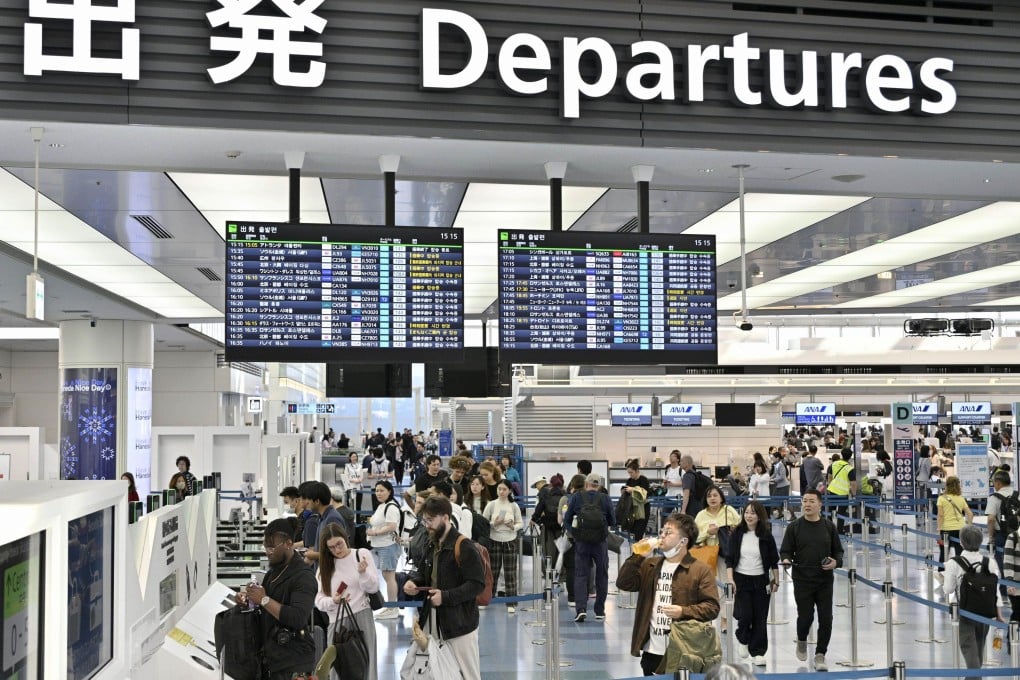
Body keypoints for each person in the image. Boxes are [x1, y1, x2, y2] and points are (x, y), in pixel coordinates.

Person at [616, 512, 720, 676]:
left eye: (669, 532)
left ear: (683, 541)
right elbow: (624, 583)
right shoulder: (651, 565)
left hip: (685, 650)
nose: (662, 536)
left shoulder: (700, 570)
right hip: (652, 649)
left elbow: (712, 607)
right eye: (662, 531)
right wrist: (638, 557)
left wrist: (683, 611)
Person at [403, 496, 485, 680]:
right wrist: (414, 582)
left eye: (431, 520)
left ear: (446, 518)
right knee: (433, 670)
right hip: (431, 618)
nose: (427, 525)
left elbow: (477, 584)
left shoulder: (464, 546)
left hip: (460, 624)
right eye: (425, 520)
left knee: (467, 674)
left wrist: (446, 597)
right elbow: (424, 573)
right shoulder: (432, 543)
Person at [239, 518, 317, 679]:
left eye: (272, 547)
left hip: (294, 661)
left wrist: (264, 599)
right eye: (265, 547)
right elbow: (264, 608)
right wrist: (249, 600)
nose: (268, 551)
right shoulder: (273, 572)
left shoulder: (304, 577)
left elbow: (297, 617)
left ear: (289, 544)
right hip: (274, 658)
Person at [780, 489, 842, 672]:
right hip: (802, 580)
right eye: (804, 501)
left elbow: (838, 551)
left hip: (824, 580)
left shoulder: (829, 527)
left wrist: (835, 562)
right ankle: (801, 639)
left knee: (826, 618)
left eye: (811, 501)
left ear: (820, 504)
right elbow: (785, 550)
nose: (807, 504)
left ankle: (820, 654)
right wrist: (785, 560)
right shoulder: (794, 527)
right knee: (805, 617)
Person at [314, 523, 380, 680]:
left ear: (346, 538)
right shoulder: (324, 567)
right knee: (338, 670)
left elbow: (373, 588)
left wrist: (363, 573)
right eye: (331, 547)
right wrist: (333, 601)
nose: (337, 550)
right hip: (337, 622)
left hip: (362, 616)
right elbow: (318, 600)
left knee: (367, 665)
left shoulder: (361, 554)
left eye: (339, 544)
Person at [944, 524, 1006, 680]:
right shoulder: (990, 562)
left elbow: (948, 589)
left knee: (968, 647)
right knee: (978, 647)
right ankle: (974, 676)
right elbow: (995, 591)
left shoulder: (954, 563)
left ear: (961, 542)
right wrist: (999, 614)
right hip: (985, 613)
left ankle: (974, 677)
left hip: (965, 612)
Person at [726, 500, 780, 666]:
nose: (749, 516)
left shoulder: (766, 535)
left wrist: (776, 580)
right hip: (741, 579)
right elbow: (729, 559)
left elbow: (773, 560)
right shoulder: (737, 533)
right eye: (747, 512)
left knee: (760, 618)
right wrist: (730, 579)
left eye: (753, 513)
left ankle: (758, 652)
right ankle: (742, 637)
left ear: (760, 516)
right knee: (745, 614)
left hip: (761, 580)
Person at [562, 473, 615, 622]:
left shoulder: (577, 497)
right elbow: (613, 520)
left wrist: (576, 533)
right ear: (598, 485)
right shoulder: (605, 498)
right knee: (601, 574)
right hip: (600, 543)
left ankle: (581, 609)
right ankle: (599, 610)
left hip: (582, 542)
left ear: (586, 484)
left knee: (580, 575)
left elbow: (566, 520)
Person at [694, 485, 741, 632]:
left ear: (721, 497)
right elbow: (695, 537)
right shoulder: (701, 515)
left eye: (715, 495)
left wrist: (733, 530)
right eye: (709, 496)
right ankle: (707, 619)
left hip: (724, 555)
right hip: (706, 555)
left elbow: (741, 529)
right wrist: (707, 532)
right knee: (706, 588)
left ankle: (725, 620)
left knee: (726, 586)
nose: (712, 498)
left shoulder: (729, 511)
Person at [482, 479, 523, 612]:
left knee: (510, 572)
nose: (501, 491)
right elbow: (484, 522)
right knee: (492, 571)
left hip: (510, 540)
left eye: (504, 489)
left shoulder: (514, 506)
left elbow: (520, 523)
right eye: (499, 489)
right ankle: (488, 598)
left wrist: (512, 526)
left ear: (510, 490)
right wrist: (495, 523)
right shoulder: (492, 505)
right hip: (494, 539)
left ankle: (511, 602)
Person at [367, 480, 402, 618]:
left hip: (388, 545)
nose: (379, 493)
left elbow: (391, 526)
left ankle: (392, 608)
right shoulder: (382, 506)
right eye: (377, 490)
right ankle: (391, 607)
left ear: (389, 491)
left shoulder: (391, 507)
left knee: (389, 576)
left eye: (382, 490)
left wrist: (375, 532)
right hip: (380, 545)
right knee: (387, 576)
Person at [937, 475, 973, 578]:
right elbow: (970, 514)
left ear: (946, 485)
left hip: (946, 529)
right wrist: (969, 526)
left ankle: (942, 574)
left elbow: (940, 515)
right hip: (960, 529)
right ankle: (961, 573)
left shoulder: (941, 498)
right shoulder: (961, 498)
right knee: (960, 552)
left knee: (944, 553)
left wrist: (938, 529)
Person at [621, 459, 652, 538]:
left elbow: (645, 495)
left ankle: (637, 550)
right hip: (632, 510)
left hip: (643, 510)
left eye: (631, 472)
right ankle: (634, 549)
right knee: (632, 533)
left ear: (637, 470)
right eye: (629, 473)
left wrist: (633, 490)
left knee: (639, 533)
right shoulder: (629, 481)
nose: (630, 474)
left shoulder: (643, 480)